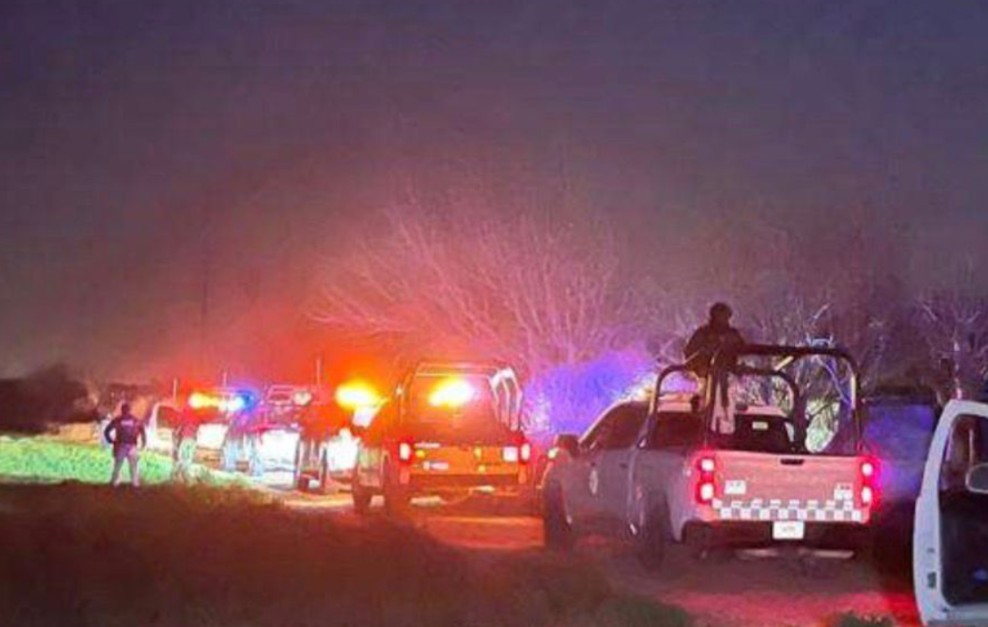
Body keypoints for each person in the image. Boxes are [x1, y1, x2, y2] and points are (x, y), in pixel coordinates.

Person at [683, 302, 746, 377]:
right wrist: (699, 366)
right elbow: (689, 353)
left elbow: (743, 351)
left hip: (729, 374)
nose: (723, 319)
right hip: (706, 374)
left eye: (725, 316)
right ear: (713, 316)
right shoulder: (703, 333)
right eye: (720, 316)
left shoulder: (733, 334)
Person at [104, 403, 147, 487]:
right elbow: (142, 431)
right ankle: (135, 484)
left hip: (121, 444)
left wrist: (110, 440)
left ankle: (114, 483)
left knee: (118, 465)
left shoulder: (118, 420)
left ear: (122, 410)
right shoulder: (135, 421)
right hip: (131, 445)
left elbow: (107, 431)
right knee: (133, 466)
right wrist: (143, 442)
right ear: (130, 410)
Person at [171, 407, 200, 482]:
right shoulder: (195, 420)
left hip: (186, 439)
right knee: (187, 458)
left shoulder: (185, 421)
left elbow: (178, 430)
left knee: (181, 457)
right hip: (192, 440)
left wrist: (176, 434)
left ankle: (179, 475)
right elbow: (196, 431)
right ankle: (184, 476)